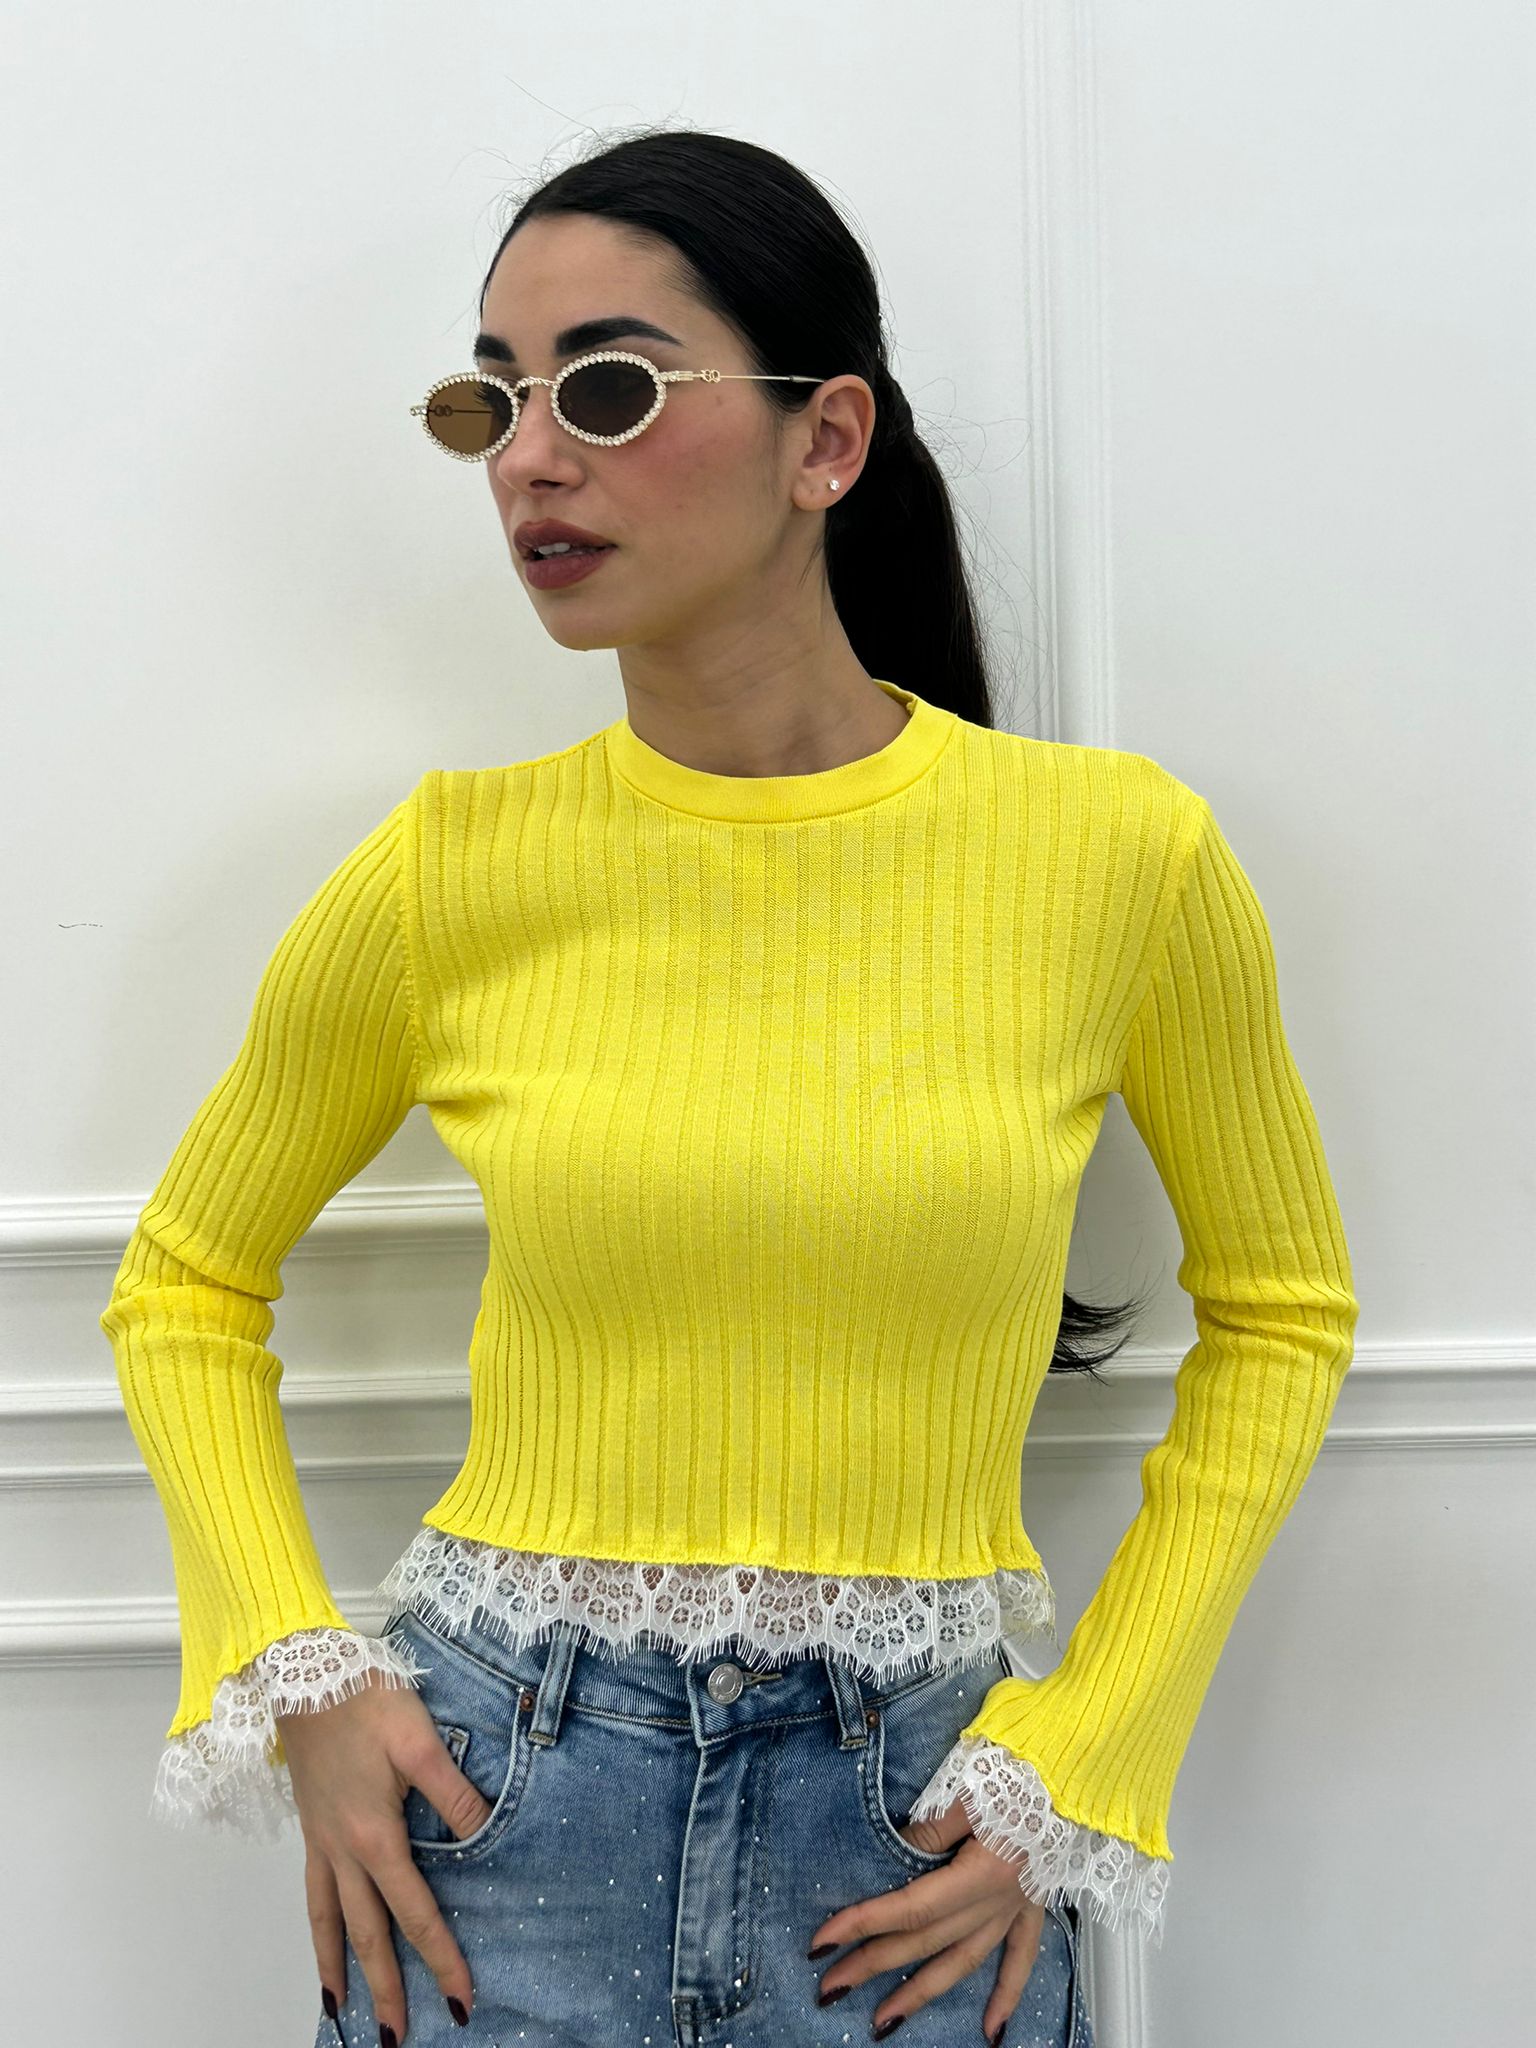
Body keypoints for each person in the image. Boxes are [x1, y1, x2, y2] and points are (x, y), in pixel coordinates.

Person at [100, 126, 1358, 2048]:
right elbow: (183, 1281)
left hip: (927, 1847)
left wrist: (1090, 1752)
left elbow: (1284, 1312)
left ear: (825, 440)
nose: (531, 457)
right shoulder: (450, 870)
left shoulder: (1118, 860)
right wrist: (300, 1682)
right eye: (494, 401)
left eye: (606, 388)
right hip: (493, 1830)